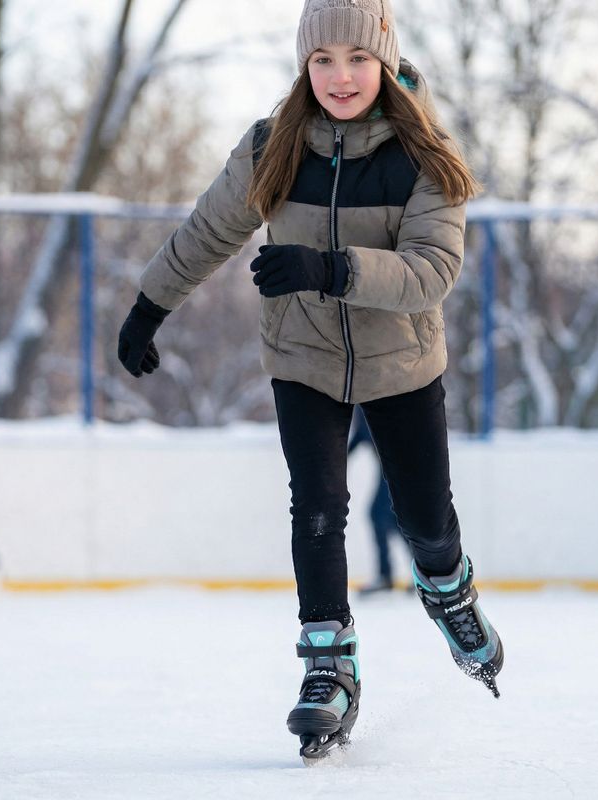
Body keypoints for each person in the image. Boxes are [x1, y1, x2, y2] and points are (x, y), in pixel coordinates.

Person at [117, 0, 503, 761]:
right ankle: (329, 663)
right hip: (302, 356)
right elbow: (207, 229)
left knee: (425, 518)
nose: (340, 76)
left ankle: (448, 591)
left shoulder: (426, 156)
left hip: (401, 359)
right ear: (304, 65)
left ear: (385, 60)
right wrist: (147, 305)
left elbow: (434, 271)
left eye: (356, 58)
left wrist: (330, 269)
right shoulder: (274, 146)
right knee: (318, 507)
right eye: (321, 60)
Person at [347, 406, 404, 593]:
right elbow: (363, 434)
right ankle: (417, 569)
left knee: (380, 515)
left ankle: (387, 575)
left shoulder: (368, 396)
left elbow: (365, 432)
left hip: (396, 467)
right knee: (392, 519)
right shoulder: (361, 400)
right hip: (391, 467)